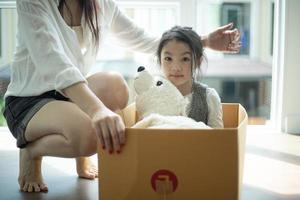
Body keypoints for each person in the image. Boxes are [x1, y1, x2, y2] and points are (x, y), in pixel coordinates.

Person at [3, 0, 240, 193]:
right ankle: (32, 151)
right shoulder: (32, 2)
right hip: (30, 100)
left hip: (69, 94)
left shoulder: (100, 5)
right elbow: (53, 61)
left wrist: (205, 41)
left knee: (116, 85)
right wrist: (96, 110)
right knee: (90, 136)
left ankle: (81, 156)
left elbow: (145, 41)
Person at [157, 26, 223, 128]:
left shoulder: (209, 97)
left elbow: (218, 139)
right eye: (168, 58)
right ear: (160, 60)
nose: (176, 68)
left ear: (198, 62)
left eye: (185, 59)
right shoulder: (153, 96)